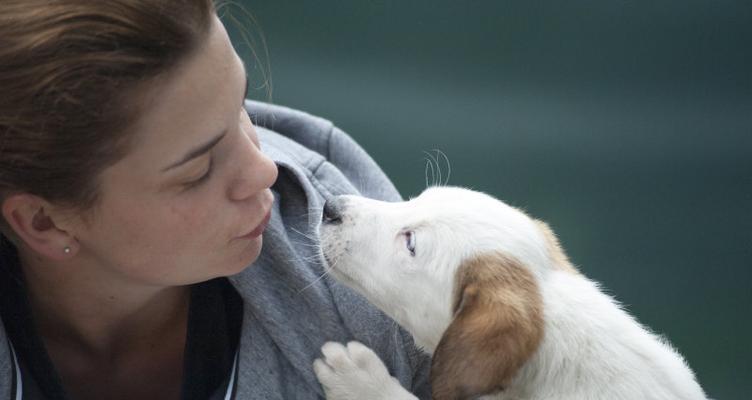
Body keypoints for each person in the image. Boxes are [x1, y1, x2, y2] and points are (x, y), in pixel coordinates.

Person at [0, 1, 431, 399]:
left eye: (242, 106)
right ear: (44, 223)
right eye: (198, 171)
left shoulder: (368, 297)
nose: (265, 169)